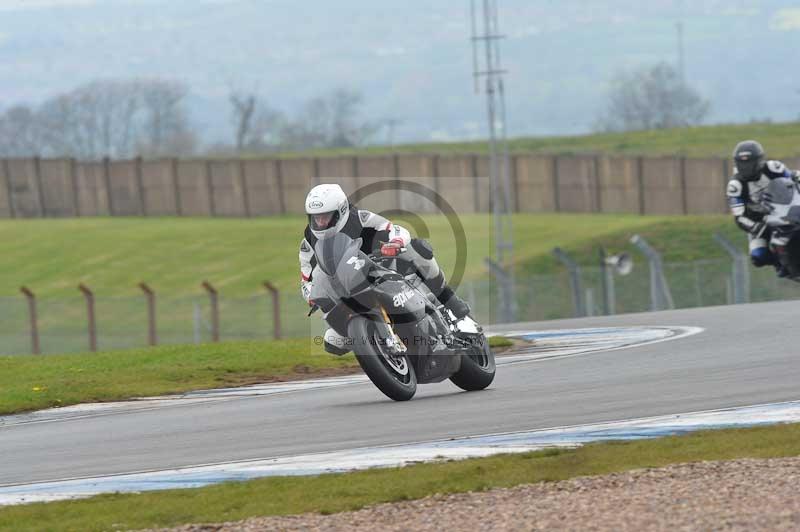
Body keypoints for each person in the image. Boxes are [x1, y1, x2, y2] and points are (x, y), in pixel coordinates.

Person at [299, 183, 471, 354]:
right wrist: (311, 296)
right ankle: (377, 347)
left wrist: (394, 243)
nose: (320, 222)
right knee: (332, 342)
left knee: (417, 248)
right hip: (347, 292)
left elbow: (394, 229)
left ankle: (449, 299)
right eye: (316, 218)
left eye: (326, 217)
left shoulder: (360, 218)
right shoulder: (308, 242)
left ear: (341, 211)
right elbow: (306, 278)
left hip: (380, 270)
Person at [726, 140, 800, 276]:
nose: (745, 166)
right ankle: (781, 266)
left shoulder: (774, 168)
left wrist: (796, 176)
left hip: (787, 209)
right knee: (759, 257)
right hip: (761, 220)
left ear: (759, 160)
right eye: (742, 163)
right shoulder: (735, 186)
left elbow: (793, 179)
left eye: (749, 162)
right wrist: (756, 227)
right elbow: (739, 216)